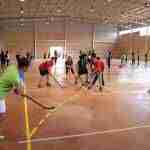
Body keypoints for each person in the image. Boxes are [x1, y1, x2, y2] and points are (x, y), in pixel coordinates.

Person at [0, 56, 30, 138]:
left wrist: (17, 89)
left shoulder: (12, 66)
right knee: (2, 116)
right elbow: (17, 91)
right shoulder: (15, 78)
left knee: (1, 115)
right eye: (27, 67)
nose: (27, 69)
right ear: (24, 67)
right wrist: (20, 93)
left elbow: (16, 88)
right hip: (0, 95)